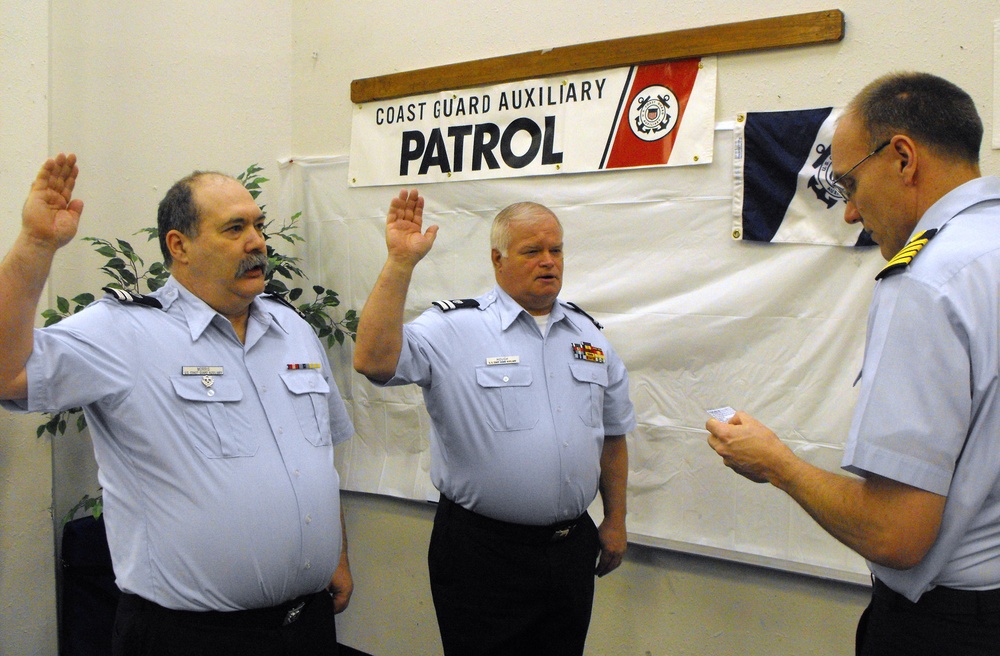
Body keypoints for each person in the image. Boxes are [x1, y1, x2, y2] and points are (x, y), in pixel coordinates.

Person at [0, 154, 355, 655]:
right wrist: (36, 244)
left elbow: (317, 459)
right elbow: (8, 374)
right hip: (189, 637)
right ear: (179, 245)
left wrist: (334, 554)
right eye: (234, 228)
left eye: (257, 225)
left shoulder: (291, 328)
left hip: (306, 624)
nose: (257, 242)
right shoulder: (124, 331)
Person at [706, 72, 1000, 655]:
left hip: (951, 627)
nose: (849, 213)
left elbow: (895, 534)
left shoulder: (926, 282)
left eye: (848, 184)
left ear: (902, 158)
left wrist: (777, 465)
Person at [353, 192, 635, 655]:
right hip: (482, 551)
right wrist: (401, 262)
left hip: (570, 548)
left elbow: (613, 435)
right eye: (532, 251)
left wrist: (616, 521)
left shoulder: (589, 335)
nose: (548, 262)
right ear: (497, 258)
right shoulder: (454, 328)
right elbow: (373, 361)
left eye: (556, 250)